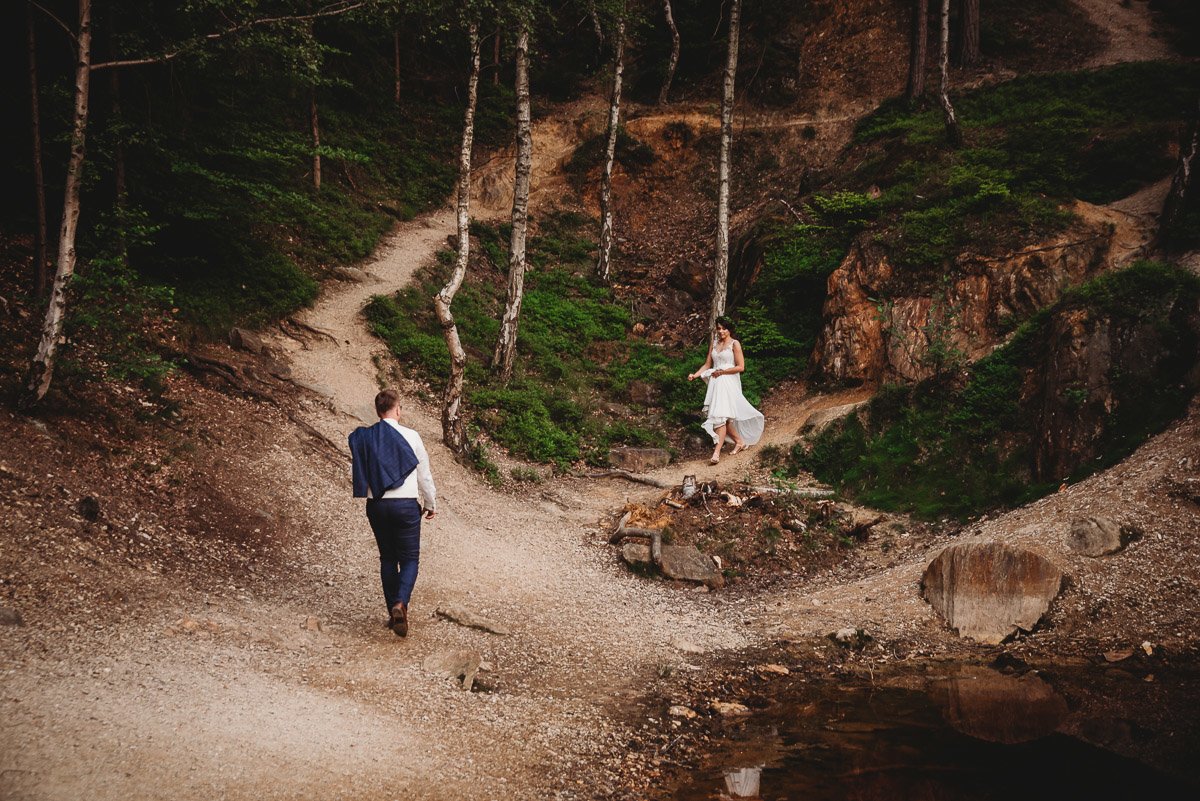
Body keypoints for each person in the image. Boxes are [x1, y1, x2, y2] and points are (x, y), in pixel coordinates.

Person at [349, 389, 436, 637]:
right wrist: (431, 503)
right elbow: (424, 474)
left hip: (375, 505)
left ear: (378, 412)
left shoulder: (365, 438)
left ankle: (393, 614)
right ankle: (400, 604)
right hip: (405, 505)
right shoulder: (411, 436)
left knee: (388, 558)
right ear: (397, 410)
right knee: (409, 558)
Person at [687, 316, 765, 464]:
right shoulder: (714, 344)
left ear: (730, 330)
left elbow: (741, 367)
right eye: (719, 328)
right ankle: (739, 441)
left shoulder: (735, 344)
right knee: (724, 417)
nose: (721, 331)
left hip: (728, 382)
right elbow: (707, 364)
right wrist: (695, 375)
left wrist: (722, 372)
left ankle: (716, 453)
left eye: (724, 328)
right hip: (716, 384)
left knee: (720, 417)